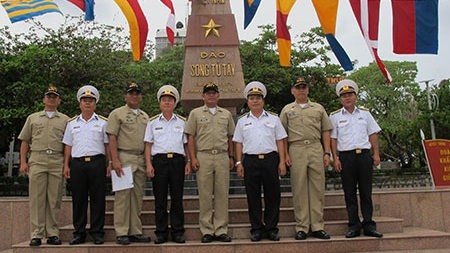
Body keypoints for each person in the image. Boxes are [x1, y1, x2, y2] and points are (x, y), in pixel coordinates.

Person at [279, 76, 333, 240]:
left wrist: (327, 153)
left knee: (317, 188)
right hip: (296, 148)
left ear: (308, 90)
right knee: (299, 187)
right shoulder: (287, 110)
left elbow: (326, 131)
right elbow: (282, 135)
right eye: (298, 87)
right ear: (293, 91)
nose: (301, 90)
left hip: (316, 147)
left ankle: (317, 226)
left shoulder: (318, 108)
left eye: (304, 87)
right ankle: (302, 226)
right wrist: (286, 154)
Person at [233, 81, 287, 242]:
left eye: (258, 98)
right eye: (251, 98)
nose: (255, 101)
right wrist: (238, 162)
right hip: (250, 161)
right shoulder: (242, 121)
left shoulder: (274, 119)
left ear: (263, 100)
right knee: (253, 196)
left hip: (271, 160)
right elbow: (238, 143)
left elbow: (280, 141)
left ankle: (271, 228)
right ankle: (256, 228)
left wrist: (282, 161)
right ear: (247, 101)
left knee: (273, 195)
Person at [329, 79, 383, 238]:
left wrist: (376, 154)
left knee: (366, 192)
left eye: (350, 94)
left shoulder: (365, 114)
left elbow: (373, 134)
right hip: (346, 157)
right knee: (349, 193)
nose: (347, 98)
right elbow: (333, 139)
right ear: (340, 98)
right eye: (344, 95)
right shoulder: (335, 116)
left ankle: (369, 225)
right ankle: (353, 225)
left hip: (364, 156)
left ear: (356, 96)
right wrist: (335, 158)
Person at [18, 87, 69, 247]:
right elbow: (25, 141)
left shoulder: (65, 120)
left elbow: (68, 144)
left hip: (56, 159)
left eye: (55, 97)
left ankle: (52, 233)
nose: (52, 99)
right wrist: (23, 162)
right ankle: (37, 234)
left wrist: (66, 164)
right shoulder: (33, 118)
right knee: (37, 198)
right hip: (37, 158)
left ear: (59, 100)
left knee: (54, 199)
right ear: (44, 100)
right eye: (49, 96)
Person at [185, 83, 235, 243]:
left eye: (214, 93)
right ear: (203, 96)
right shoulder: (195, 113)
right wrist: (192, 158)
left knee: (222, 194)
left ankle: (221, 229)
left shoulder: (226, 114)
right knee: (205, 195)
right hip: (203, 156)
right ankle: (206, 229)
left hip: (221, 156)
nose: (211, 96)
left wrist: (232, 157)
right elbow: (190, 137)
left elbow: (230, 137)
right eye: (208, 93)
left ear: (218, 96)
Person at [62, 85, 110, 245]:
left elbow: (107, 145)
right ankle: (79, 233)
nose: (87, 103)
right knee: (79, 199)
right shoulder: (71, 123)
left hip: (97, 163)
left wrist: (109, 163)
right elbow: (68, 145)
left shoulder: (103, 122)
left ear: (95, 103)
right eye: (84, 100)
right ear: (80, 103)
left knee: (98, 199)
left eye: (90, 100)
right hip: (77, 164)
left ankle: (97, 232)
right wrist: (66, 165)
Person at [144, 85, 191, 244]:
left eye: (170, 100)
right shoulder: (152, 123)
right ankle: (161, 232)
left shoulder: (183, 122)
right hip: (159, 162)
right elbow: (148, 145)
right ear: (160, 103)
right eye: (164, 100)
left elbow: (186, 145)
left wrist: (188, 162)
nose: (167, 103)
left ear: (175, 103)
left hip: (177, 161)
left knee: (177, 198)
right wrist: (148, 164)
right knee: (160, 199)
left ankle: (178, 232)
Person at [106, 82, 151, 245]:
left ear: (141, 97)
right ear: (125, 96)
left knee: (137, 197)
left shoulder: (145, 116)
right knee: (123, 196)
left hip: (140, 159)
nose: (134, 96)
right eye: (131, 93)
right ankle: (122, 231)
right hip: (123, 157)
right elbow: (111, 137)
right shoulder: (117, 114)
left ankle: (135, 231)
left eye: (137, 93)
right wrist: (114, 160)